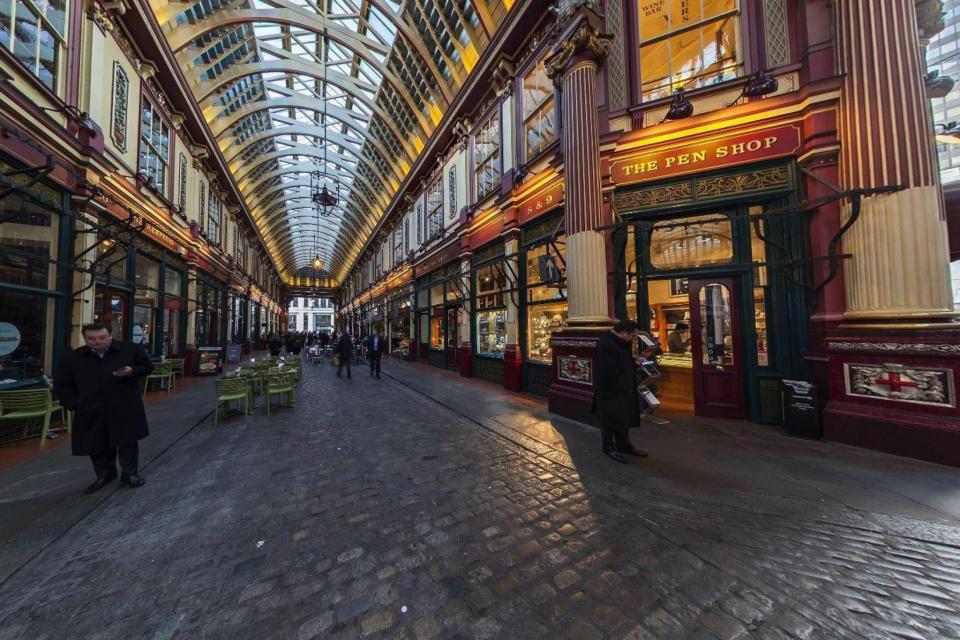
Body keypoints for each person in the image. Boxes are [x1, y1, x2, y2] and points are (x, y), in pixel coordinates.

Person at [53, 322, 154, 493]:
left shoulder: (129, 350)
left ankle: (130, 473)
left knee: (127, 441)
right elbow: (62, 384)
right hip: (90, 407)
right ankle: (104, 474)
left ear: (110, 336)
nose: (97, 342)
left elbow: (147, 367)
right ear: (85, 338)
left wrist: (132, 371)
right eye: (91, 338)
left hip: (124, 405)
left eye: (101, 338)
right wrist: (74, 403)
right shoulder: (73, 358)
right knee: (96, 443)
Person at [593, 319, 648, 463]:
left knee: (623, 418)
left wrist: (634, 362)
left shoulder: (623, 342)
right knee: (610, 420)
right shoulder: (605, 343)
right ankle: (609, 447)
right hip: (610, 389)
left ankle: (624, 445)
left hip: (624, 387)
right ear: (623, 333)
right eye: (632, 335)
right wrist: (620, 383)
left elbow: (624, 362)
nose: (633, 338)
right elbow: (608, 370)